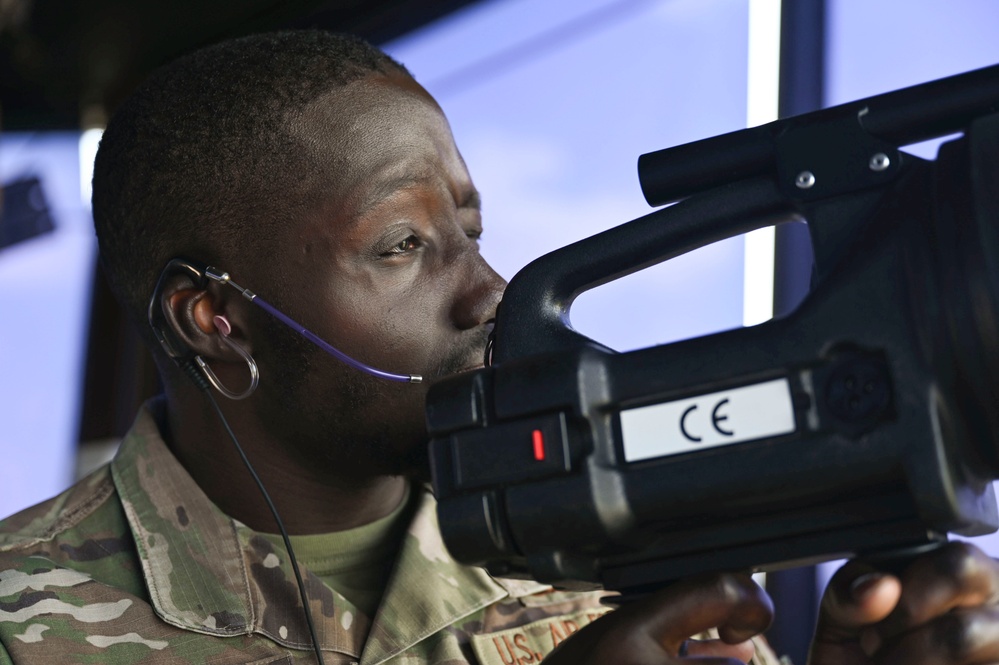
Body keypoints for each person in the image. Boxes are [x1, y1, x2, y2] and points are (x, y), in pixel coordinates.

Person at [1, 30, 998, 665]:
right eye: (402, 245)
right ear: (215, 320)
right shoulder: (24, 617)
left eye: (471, 231)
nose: (488, 289)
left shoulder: (594, 536)